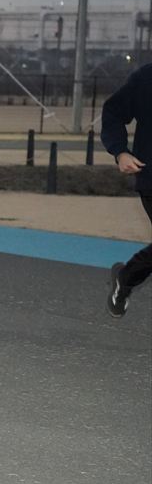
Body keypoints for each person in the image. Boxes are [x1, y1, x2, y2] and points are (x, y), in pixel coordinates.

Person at [101, 62, 152, 318]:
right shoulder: (146, 77)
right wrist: (120, 152)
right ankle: (125, 278)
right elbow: (112, 113)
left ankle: (125, 277)